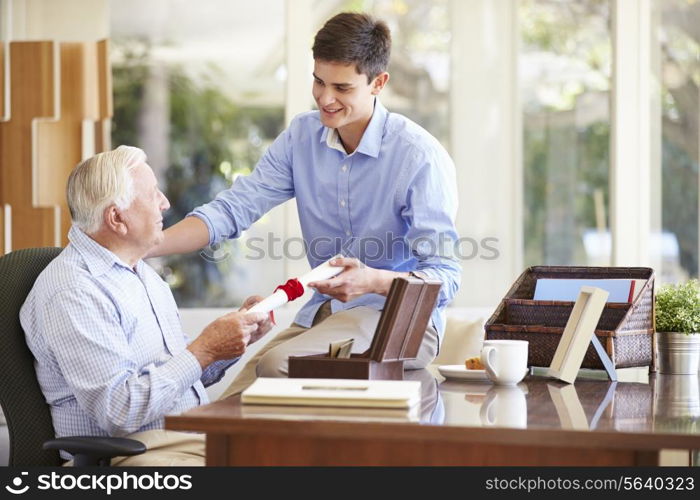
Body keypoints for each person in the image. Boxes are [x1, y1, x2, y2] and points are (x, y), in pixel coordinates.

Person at [150, 12, 461, 397]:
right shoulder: (301, 137)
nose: (325, 99)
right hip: (324, 315)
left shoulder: (418, 157)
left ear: (378, 83)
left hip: (399, 322)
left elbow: (446, 277)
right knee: (233, 401)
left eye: (342, 88)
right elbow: (234, 209)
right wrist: (149, 245)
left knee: (277, 367)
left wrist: (374, 280)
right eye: (319, 81)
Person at [20, 146, 272, 466]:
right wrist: (205, 349)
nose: (165, 203)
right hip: (130, 455)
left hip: (183, 438)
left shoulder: (141, 273)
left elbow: (179, 377)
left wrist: (231, 340)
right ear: (117, 218)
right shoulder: (74, 290)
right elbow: (119, 410)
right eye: (153, 194)